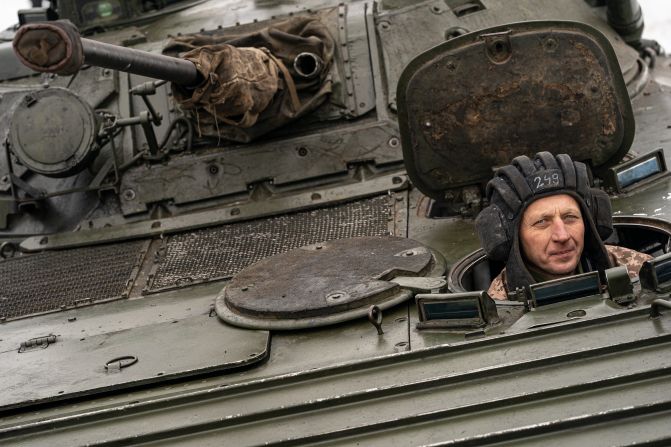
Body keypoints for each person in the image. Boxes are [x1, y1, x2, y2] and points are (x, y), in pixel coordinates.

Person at [475, 151, 651, 300]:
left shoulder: (637, 269)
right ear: (511, 236)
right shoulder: (498, 306)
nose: (562, 236)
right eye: (542, 222)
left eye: (570, 217)